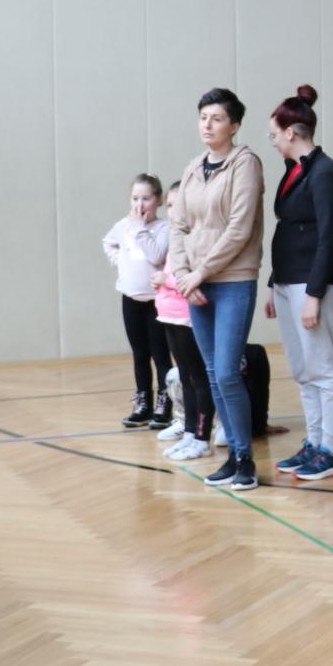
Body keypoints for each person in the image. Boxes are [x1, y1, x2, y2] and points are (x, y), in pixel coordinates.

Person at [171, 87, 266, 491]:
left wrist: (201, 272)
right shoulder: (194, 168)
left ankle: (245, 459)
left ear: (235, 125)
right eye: (203, 117)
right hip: (196, 283)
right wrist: (184, 275)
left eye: (217, 118)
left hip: (233, 281)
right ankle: (232, 458)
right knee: (212, 373)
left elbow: (239, 229)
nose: (207, 125)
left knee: (227, 372)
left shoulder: (246, 163)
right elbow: (178, 226)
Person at [264, 87, 333, 482]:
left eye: (274, 134)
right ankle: (314, 442)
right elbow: (288, 231)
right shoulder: (295, 169)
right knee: (302, 369)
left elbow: (328, 237)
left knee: (323, 367)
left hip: (313, 284)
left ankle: (332, 450)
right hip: (288, 281)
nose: (272, 141)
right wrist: (274, 283)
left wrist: (314, 294)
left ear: (291, 132)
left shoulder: (325, 172)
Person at [104, 174, 174, 430]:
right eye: (135, 198)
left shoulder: (163, 228)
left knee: (160, 353)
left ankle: (165, 401)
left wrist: (140, 228)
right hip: (130, 298)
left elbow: (156, 256)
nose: (139, 204)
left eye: (146, 198)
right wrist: (120, 261)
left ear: (158, 201)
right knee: (139, 353)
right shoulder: (123, 226)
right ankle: (143, 401)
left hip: (156, 301)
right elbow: (108, 243)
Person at [154, 182, 215, 462]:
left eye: (177, 205)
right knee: (185, 378)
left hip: (187, 318)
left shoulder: (196, 240)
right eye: (168, 205)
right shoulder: (175, 239)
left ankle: (202, 437)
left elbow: (191, 281)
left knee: (198, 378)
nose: (172, 211)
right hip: (169, 316)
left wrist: (165, 280)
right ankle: (189, 432)